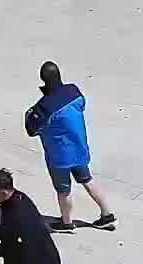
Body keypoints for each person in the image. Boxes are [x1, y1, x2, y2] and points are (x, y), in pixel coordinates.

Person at [24, 62, 115, 231]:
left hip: (59, 158)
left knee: (63, 191)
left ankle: (66, 223)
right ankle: (107, 214)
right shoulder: (74, 92)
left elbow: (32, 129)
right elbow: (81, 107)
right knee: (88, 181)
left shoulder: (44, 107)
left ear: (43, 80)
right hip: (79, 150)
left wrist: (32, 113)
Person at [0, 169, 60, 264]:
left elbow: (11, 251)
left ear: (3, 193)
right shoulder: (20, 197)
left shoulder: (15, 216)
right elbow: (10, 230)